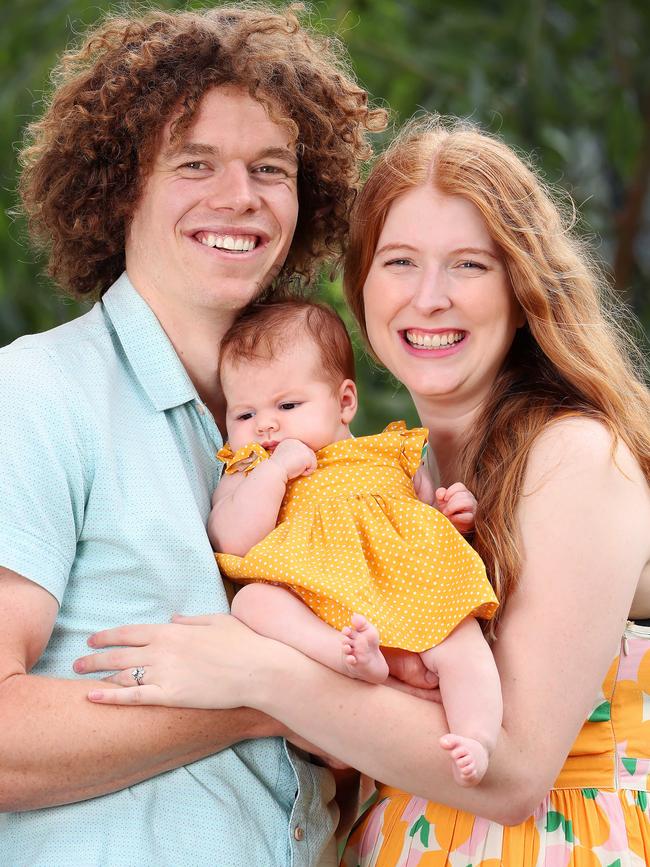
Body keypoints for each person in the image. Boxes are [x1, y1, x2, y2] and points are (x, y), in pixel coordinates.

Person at [74, 115, 650, 865]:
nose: (429, 298)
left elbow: (512, 774)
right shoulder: (395, 485)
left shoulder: (572, 455)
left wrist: (253, 672)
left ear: (522, 285)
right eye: (401, 261)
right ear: (363, 284)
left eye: (470, 266)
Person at [0, 6, 385, 866]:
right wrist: (268, 695)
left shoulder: (325, 431)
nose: (238, 197)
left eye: (269, 167)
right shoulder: (35, 393)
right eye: (195, 162)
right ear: (119, 185)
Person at [211, 298, 501, 786]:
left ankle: (478, 736)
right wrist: (275, 471)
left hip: (403, 585)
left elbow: (423, 518)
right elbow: (236, 541)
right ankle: (344, 655)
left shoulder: (389, 451)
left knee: (460, 640)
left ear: (344, 402)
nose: (265, 426)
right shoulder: (246, 472)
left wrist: (454, 514)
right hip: (319, 601)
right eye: (243, 414)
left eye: (287, 406)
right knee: (253, 603)